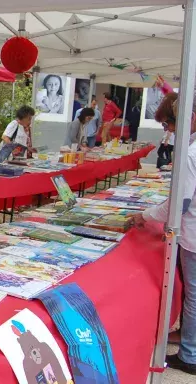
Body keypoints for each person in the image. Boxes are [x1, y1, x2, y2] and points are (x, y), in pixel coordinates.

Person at [130, 91, 196, 375]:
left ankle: (190, 354)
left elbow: (180, 203)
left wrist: (145, 215)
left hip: (192, 234)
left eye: (170, 124)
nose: (169, 130)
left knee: (193, 294)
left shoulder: (191, 154)